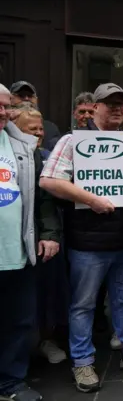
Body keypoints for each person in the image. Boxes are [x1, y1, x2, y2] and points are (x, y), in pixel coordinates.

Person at [39, 77, 123, 393]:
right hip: (88, 244)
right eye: (110, 103)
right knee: (83, 305)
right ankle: (83, 363)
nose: (117, 108)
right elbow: (48, 180)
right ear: (93, 108)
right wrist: (90, 199)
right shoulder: (74, 141)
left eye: (121, 104)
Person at [0, 83, 62, 401]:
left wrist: (49, 235)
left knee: (18, 320)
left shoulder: (23, 148)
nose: (2, 111)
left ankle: (10, 383)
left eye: (4, 105)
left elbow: (43, 201)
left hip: (18, 252)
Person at [14, 108, 70, 365]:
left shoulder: (43, 157)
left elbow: (46, 202)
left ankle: (45, 340)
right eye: (31, 129)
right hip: (10, 241)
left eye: (40, 129)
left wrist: (49, 235)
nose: (39, 133)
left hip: (37, 239)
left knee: (46, 294)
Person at [10, 81, 60, 151]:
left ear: (36, 100)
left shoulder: (50, 129)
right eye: (21, 95)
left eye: (30, 96)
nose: (26, 99)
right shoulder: (3, 127)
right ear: (10, 99)